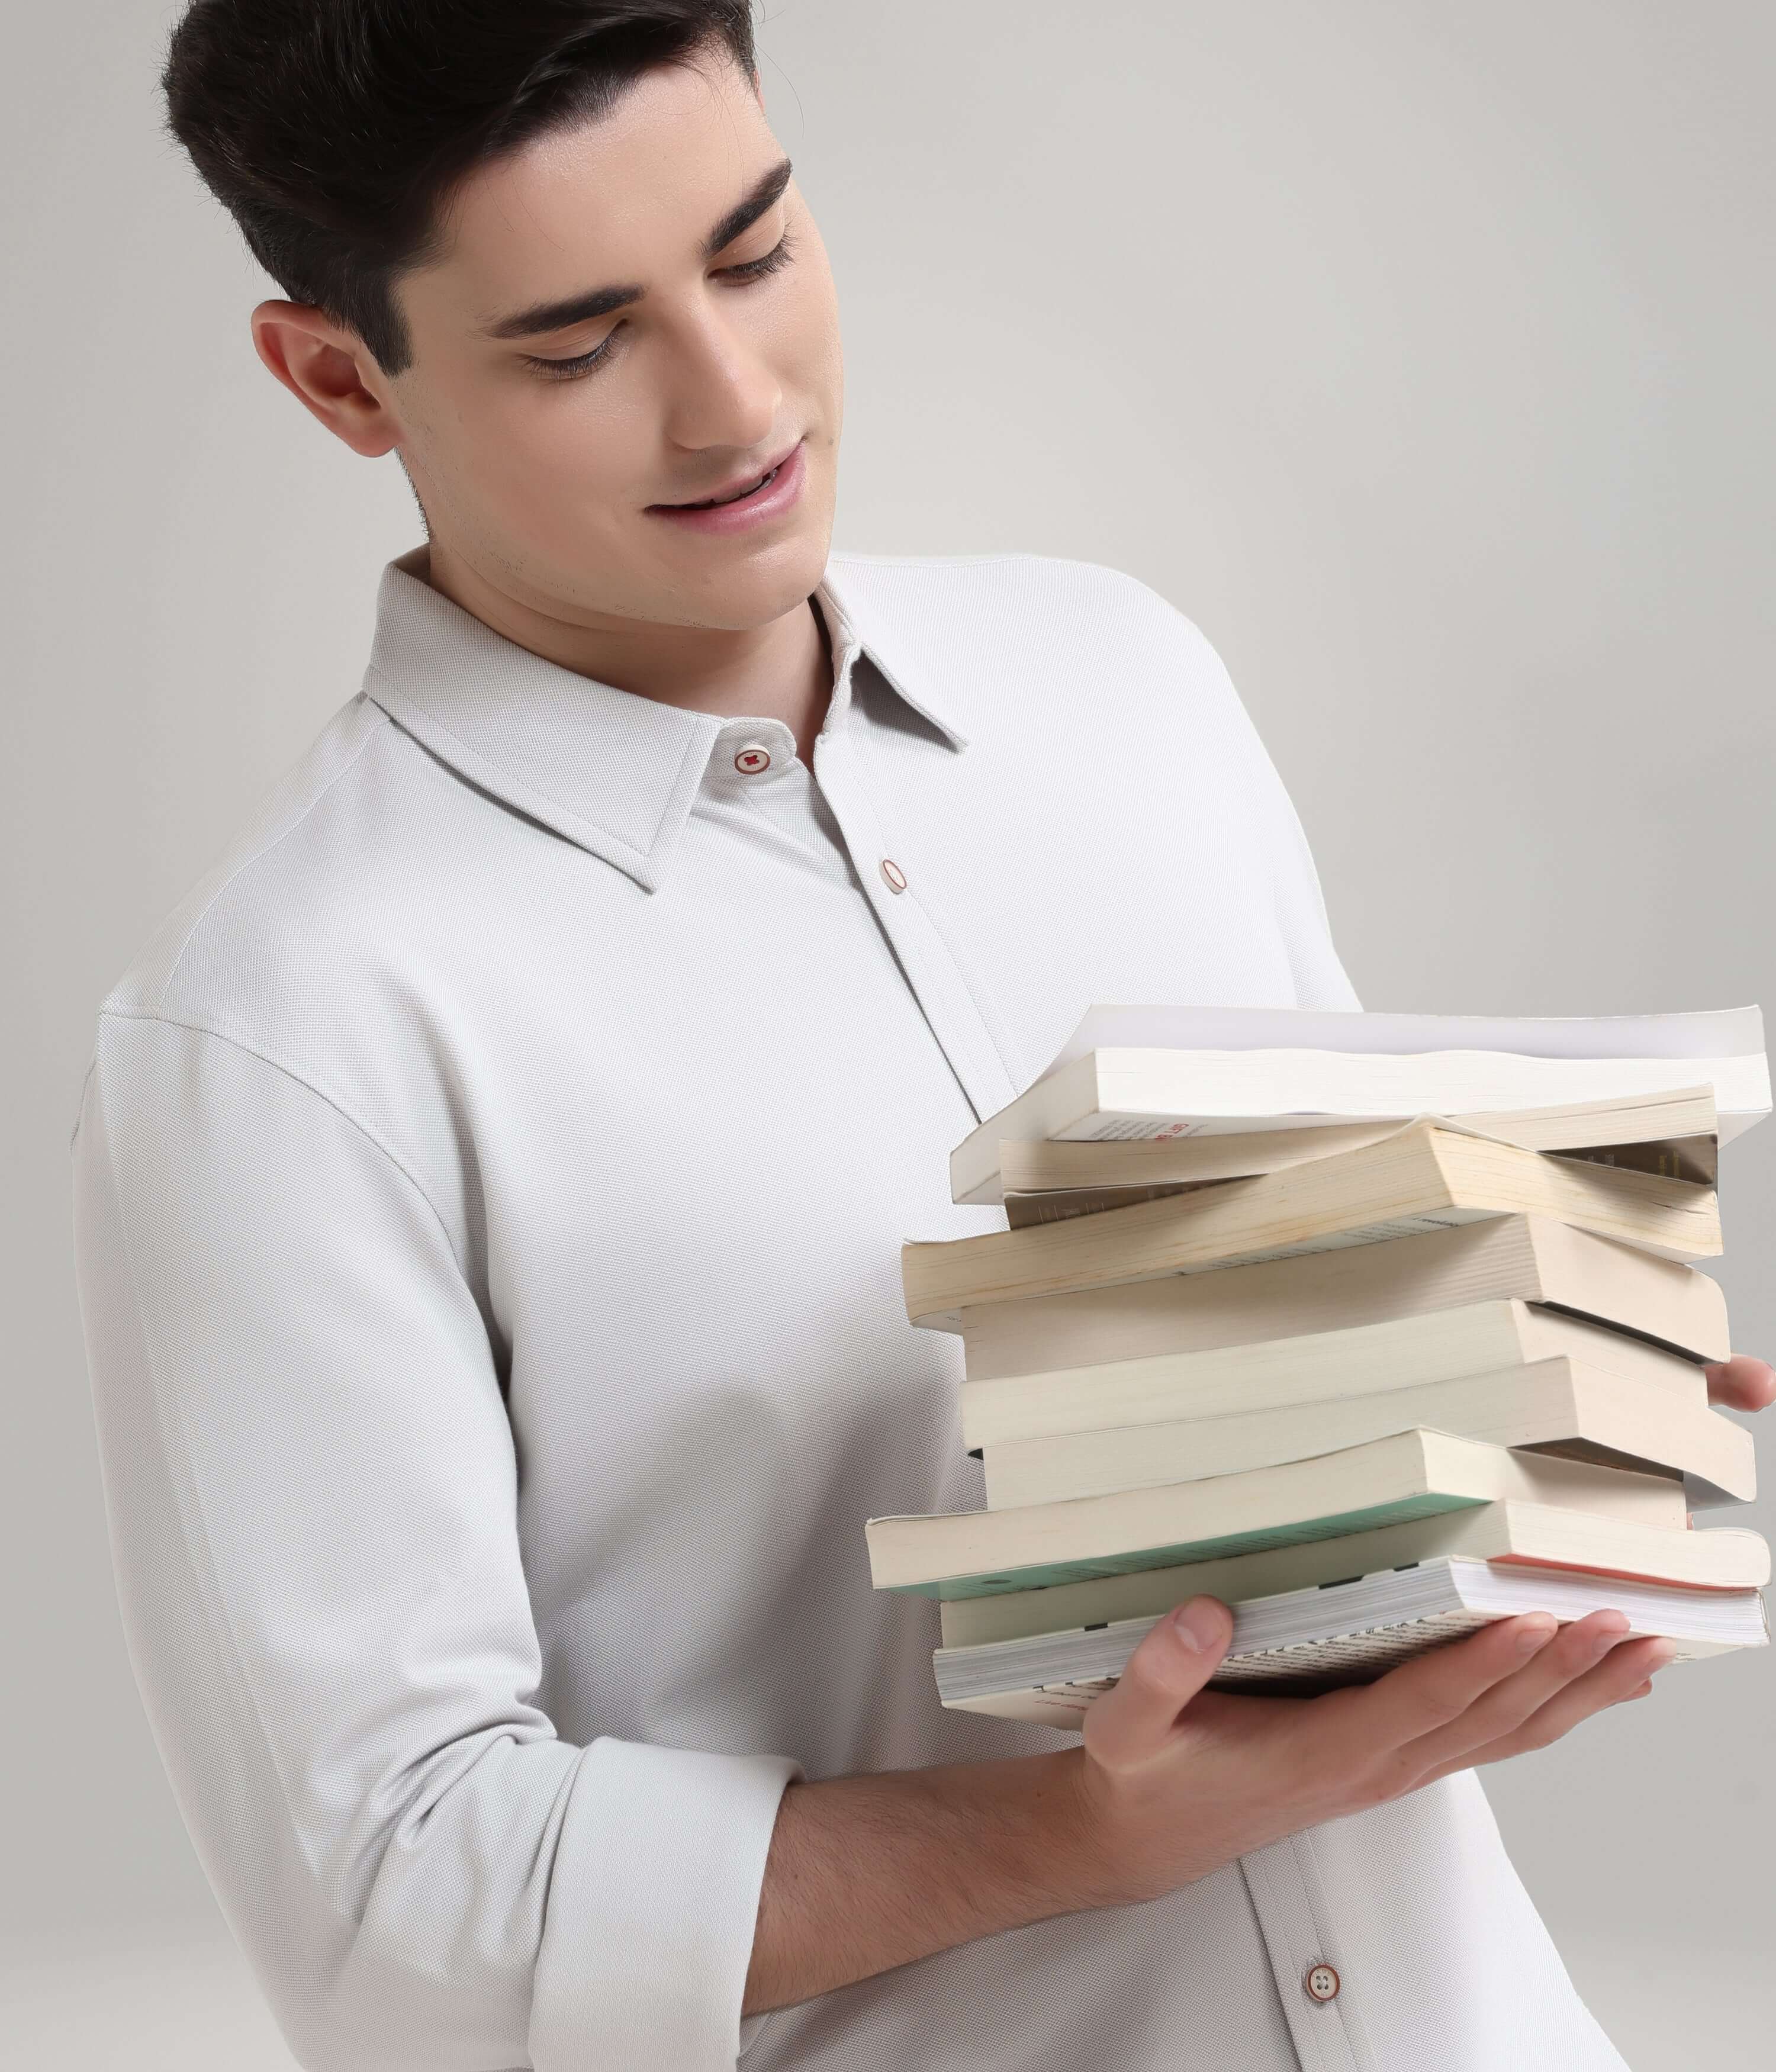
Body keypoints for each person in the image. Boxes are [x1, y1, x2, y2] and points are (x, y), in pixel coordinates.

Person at [69, 5, 1774, 2069]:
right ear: (340, 377)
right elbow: (398, 1916)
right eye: (579, 342)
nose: (734, 404)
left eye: (759, 248)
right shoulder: (287, 1027)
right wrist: (1073, 1827)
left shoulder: (1127, 683)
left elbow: (1331, 1400)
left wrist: (1539, 1389)